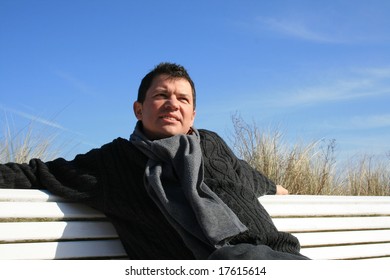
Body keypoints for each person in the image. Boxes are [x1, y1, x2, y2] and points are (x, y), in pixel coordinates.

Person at [0, 62, 308, 260]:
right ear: (139, 109)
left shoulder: (212, 144)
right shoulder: (116, 162)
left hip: (278, 256)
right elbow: (36, 173)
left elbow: (244, 176)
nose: (173, 103)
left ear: (193, 116)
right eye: (161, 95)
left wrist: (277, 188)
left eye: (183, 99)